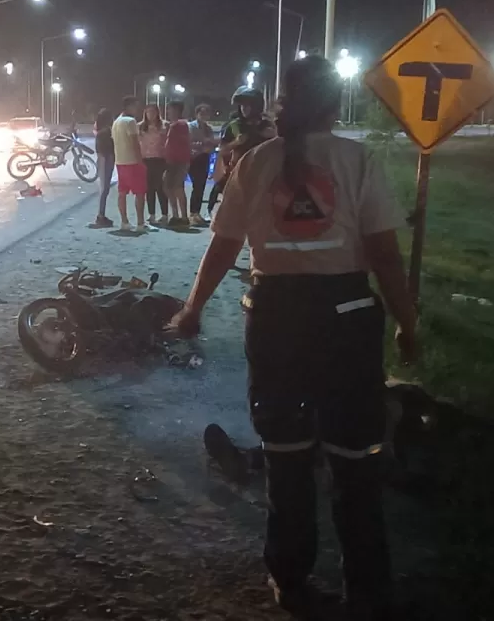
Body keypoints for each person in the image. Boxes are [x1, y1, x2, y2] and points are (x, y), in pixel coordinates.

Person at [172, 56, 417, 620]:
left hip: (277, 317)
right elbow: (384, 254)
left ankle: (290, 578)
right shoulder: (358, 160)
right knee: (356, 458)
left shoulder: (256, 162)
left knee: (286, 455)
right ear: (334, 105)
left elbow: (225, 247)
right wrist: (406, 323)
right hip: (347, 318)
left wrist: (193, 310)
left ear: (284, 101)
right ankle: (369, 592)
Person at [206, 85, 276, 216]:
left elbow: (279, 146)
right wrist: (236, 142)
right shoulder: (234, 126)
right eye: (242, 105)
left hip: (262, 174)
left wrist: (273, 136)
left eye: (248, 105)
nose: (244, 109)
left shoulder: (266, 125)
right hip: (238, 172)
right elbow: (222, 150)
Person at [111, 96, 148, 233]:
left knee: (122, 192)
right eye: (135, 106)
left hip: (120, 161)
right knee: (139, 193)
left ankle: (124, 221)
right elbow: (134, 143)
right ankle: (140, 223)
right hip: (133, 162)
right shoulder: (131, 121)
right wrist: (140, 161)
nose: (137, 109)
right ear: (128, 107)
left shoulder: (116, 122)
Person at [162, 100, 192, 227]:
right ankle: (176, 214)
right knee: (168, 186)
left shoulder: (180, 125)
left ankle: (183, 216)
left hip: (179, 161)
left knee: (177, 187)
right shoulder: (174, 125)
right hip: (172, 161)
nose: (168, 112)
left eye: (171, 109)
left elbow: (182, 141)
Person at [139, 103, 169, 225]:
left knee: (161, 188)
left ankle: (165, 214)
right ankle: (151, 214)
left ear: (158, 113)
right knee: (149, 188)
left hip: (160, 159)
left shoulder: (165, 125)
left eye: (153, 112)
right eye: (148, 112)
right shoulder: (140, 127)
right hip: (146, 159)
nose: (151, 114)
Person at [188, 104, 217, 225]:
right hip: (193, 158)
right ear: (197, 114)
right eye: (202, 113)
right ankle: (192, 213)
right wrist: (202, 144)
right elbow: (189, 142)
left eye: (206, 114)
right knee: (196, 186)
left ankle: (196, 213)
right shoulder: (191, 126)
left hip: (204, 158)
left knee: (201, 187)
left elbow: (213, 143)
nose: (204, 116)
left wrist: (208, 145)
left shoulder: (208, 128)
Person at [91, 108, 116, 228]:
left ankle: (101, 214)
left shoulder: (100, 132)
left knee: (104, 188)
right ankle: (100, 215)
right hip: (106, 160)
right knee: (104, 188)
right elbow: (105, 150)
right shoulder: (106, 132)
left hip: (103, 160)